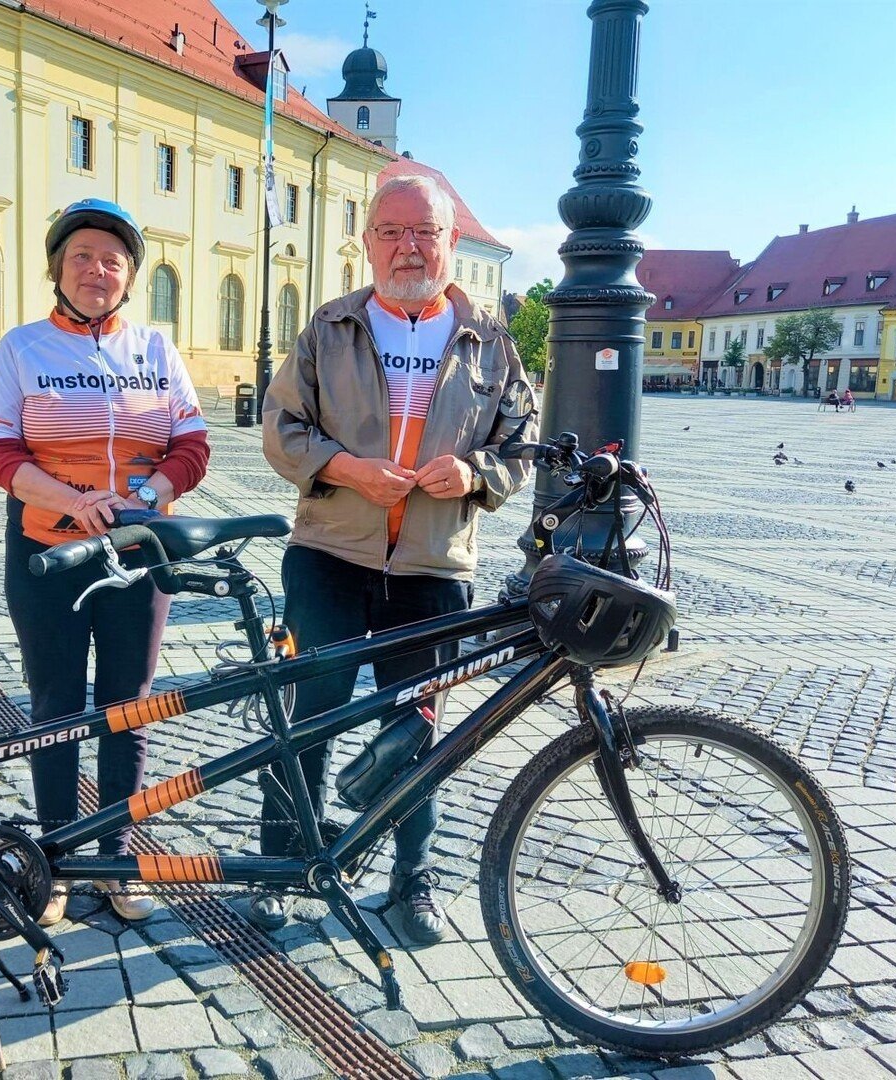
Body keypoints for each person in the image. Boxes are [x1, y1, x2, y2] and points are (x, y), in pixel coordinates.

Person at [259, 175, 535, 943]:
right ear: (369, 241)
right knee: (307, 721)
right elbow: (282, 427)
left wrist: (477, 474)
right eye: (391, 231)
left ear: (450, 242)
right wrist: (347, 468)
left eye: (426, 232)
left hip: (434, 568)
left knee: (416, 732)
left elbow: (521, 442)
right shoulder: (330, 326)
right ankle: (282, 865)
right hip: (330, 556)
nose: (409, 245)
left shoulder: (492, 337)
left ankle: (411, 882)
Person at [0, 199, 210, 926]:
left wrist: (148, 493)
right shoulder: (23, 348)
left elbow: (192, 446)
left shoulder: (157, 350)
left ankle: (114, 858)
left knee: (127, 709)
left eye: (112, 259)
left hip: (139, 552)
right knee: (55, 709)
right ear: (56, 269)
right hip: (50, 548)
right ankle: (56, 865)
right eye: (81, 256)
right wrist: (74, 502)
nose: (97, 269)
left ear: (130, 275)